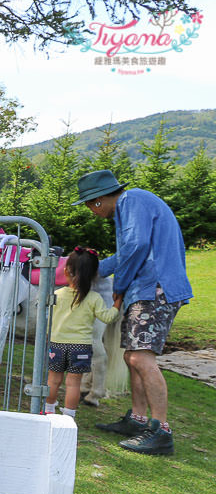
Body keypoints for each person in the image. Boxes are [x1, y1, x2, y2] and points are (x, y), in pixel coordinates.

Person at [74, 170, 193, 455]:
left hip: (156, 287)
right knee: (131, 357)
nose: (91, 211)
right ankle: (138, 420)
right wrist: (88, 270)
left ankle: (161, 431)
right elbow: (128, 251)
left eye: (89, 205)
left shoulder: (131, 201)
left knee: (141, 357)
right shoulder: (130, 206)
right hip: (146, 288)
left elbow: (136, 247)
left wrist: (120, 285)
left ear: (98, 200)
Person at [43, 246, 121, 419]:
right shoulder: (94, 298)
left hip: (57, 345)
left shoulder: (57, 294)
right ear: (94, 275)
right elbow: (107, 318)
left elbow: (46, 315)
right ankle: (69, 414)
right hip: (81, 348)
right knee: (73, 384)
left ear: (65, 271)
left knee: (53, 380)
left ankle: (48, 409)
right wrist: (117, 304)